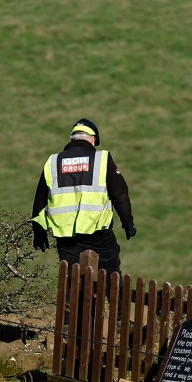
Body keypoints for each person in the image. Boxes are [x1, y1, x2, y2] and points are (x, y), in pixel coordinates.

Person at [31, 118, 136, 276]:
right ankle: (114, 300)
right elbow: (120, 194)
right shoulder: (102, 159)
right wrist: (128, 223)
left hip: (67, 237)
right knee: (110, 278)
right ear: (93, 140)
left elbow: (40, 202)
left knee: (71, 281)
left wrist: (39, 232)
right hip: (99, 233)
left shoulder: (53, 161)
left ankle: (71, 301)